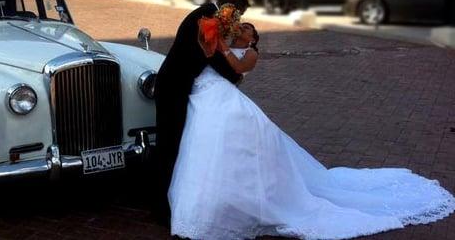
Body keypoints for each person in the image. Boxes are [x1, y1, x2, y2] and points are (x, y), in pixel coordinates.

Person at [167, 23, 455, 239]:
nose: (243, 28)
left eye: (248, 29)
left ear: (253, 39)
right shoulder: (223, 44)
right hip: (206, 93)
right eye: (241, 26)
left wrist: (222, 46)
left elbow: (237, 67)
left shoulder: (251, 54)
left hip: (224, 97)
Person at [151, 0, 249, 223]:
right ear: (230, 9)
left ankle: (162, 198)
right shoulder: (207, 19)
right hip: (173, 86)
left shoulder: (207, 15)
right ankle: (159, 205)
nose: (238, 21)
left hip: (176, 85)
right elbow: (211, 56)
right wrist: (235, 76)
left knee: (172, 142)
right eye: (239, 15)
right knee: (168, 144)